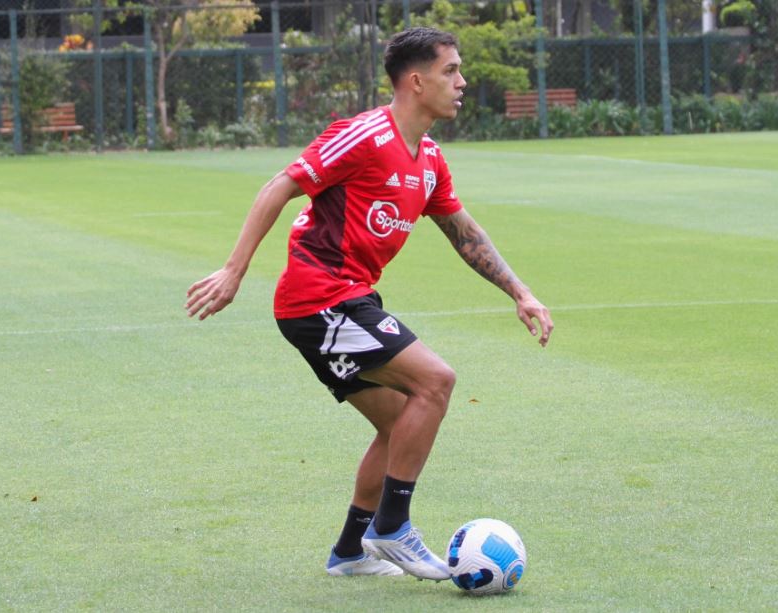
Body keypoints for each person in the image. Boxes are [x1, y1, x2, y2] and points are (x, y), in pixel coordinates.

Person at [185, 27, 553, 581]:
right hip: (318, 298)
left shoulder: (430, 158)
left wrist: (520, 292)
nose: (462, 81)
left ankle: (350, 551)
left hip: (348, 298)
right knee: (436, 382)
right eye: (451, 70)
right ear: (416, 81)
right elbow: (280, 185)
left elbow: (464, 231)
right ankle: (392, 527)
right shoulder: (363, 136)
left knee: (402, 421)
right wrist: (234, 271)